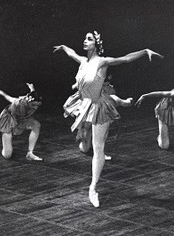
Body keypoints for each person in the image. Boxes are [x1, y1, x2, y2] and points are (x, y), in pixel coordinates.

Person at [54, 31, 163, 207]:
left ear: (96, 44)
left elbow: (125, 59)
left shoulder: (102, 62)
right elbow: (71, 52)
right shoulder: (83, 61)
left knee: (98, 148)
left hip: (99, 106)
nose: (85, 41)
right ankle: (121, 104)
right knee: (87, 145)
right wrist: (63, 47)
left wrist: (145, 51)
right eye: (84, 38)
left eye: (89, 39)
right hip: (84, 104)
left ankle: (93, 189)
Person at [63, 73, 133, 160]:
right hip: (89, 115)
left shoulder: (111, 95)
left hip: (101, 116)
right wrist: (81, 131)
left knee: (101, 132)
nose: (106, 87)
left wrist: (128, 102)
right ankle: (87, 143)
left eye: (107, 85)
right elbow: (80, 113)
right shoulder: (89, 92)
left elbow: (118, 107)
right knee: (85, 149)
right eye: (104, 85)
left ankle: (99, 152)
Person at [0, 82, 43, 161]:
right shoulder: (18, 103)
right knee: (7, 155)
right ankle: (5, 145)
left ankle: (30, 153)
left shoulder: (32, 98)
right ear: (28, 102)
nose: (35, 108)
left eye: (38, 105)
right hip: (9, 119)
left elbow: (33, 93)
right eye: (33, 105)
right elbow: (7, 97)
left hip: (22, 119)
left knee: (36, 125)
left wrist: (31, 88)